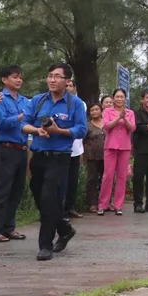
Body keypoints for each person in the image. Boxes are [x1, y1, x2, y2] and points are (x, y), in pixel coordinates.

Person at [24, 62, 86, 261]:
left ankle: (45, 245)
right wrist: (37, 130)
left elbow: (81, 129)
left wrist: (59, 131)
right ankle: (64, 228)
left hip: (60, 158)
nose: (51, 80)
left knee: (49, 198)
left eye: (57, 76)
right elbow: (24, 124)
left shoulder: (74, 103)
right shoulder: (38, 100)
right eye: (50, 75)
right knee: (40, 197)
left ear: (67, 81)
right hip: (39, 156)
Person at [0, 65, 31, 243]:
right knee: (3, 189)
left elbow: (31, 117)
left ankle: (8, 227)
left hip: (22, 149)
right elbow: (2, 123)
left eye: (20, 77)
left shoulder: (25, 101)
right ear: (4, 79)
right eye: (15, 77)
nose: (19, 80)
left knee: (17, 189)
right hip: (6, 148)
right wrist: (21, 117)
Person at [98, 88, 135, 215]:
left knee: (122, 177)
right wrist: (118, 117)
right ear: (113, 99)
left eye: (122, 97)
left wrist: (124, 118)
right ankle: (103, 204)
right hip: (110, 146)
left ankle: (118, 205)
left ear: (125, 98)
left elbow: (132, 128)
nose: (119, 99)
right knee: (107, 176)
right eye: (117, 97)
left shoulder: (130, 112)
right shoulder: (108, 111)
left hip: (125, 147)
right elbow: (107, 126)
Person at [63, 79, 86, 220]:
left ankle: (70, 207)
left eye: (70, 86)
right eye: (66, 86)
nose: (68, 88)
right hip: (61, 148)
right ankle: (60, 210)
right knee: (61, 180)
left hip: (76, 148)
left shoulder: (80, 104)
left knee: (72, 180)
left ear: (75, 88)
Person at [83, 103, 105, 213]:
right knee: (92, 179)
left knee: (105, 179)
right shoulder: (87, 125)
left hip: (107, 156)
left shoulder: (107, 123)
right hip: (92, 156)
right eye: (92, 110)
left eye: (97, 109)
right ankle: (92, 203)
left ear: (101, 111)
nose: (95, 112)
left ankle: (105, 202)